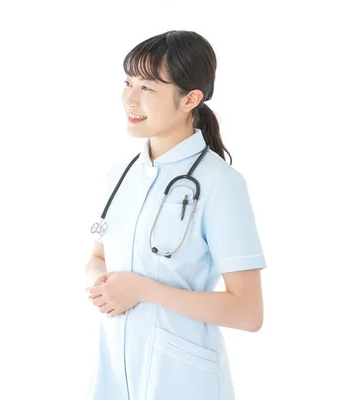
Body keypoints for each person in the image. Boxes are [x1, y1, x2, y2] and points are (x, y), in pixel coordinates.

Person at [84, 30, 266, 400]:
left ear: (190, 99)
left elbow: (248, 313)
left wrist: (141, 289)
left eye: (147, 88)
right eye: (128, 82)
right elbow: (98, 257)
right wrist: (101, 283)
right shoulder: (120, 175)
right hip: (114, 374)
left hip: (182, 379)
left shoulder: (221, 185)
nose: (130, 99)